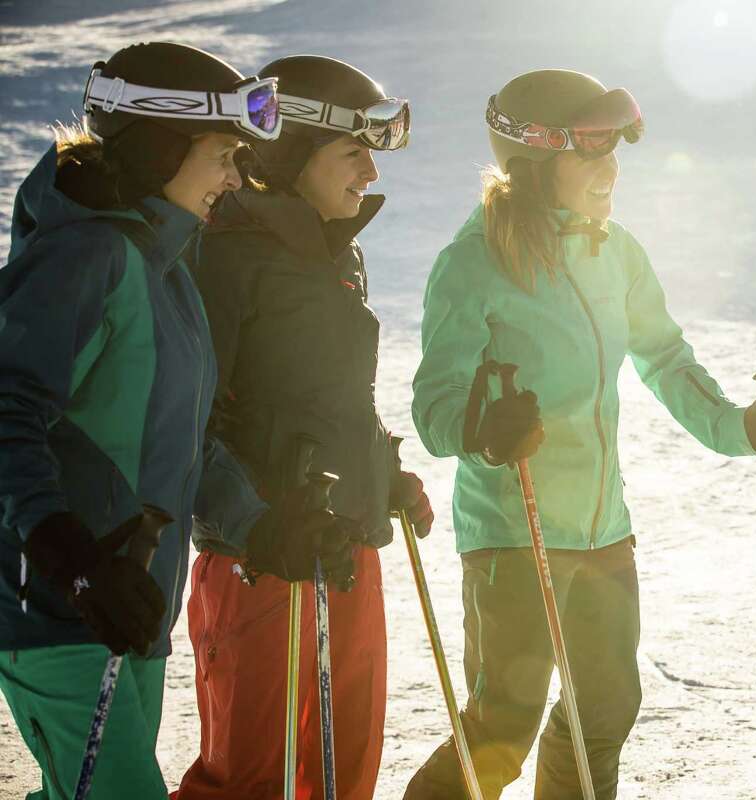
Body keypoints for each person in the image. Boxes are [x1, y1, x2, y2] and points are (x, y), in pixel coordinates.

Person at [404, 68, 756, 800]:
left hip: (601, 530)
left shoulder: (614, 251)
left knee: (606, 709)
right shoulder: (473, 264)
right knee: (504, 722)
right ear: (533, 160)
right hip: (511, 528)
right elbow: (435, 400)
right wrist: (484, 431)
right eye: (588, 150)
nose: (609, 168)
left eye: (613, 148)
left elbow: (664, 357)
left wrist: (740, 427)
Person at [0, 42, 281, 800]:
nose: (235, 177)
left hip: (130, 609)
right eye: (223, 153)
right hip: (61, 609)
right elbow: (6, 408)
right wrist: (70, 557)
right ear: (162, 144)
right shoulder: (85, 258)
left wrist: (261, 526)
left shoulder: (167, 272)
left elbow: (186, 440)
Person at [174, 54, 430, 800]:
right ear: (292, 148)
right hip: (264, 561)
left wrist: (382, 471)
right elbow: (191, 421)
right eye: (355, 153)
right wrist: (259, 525)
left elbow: (330, 398)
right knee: (250, 778)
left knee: (344, 769)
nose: (370, 176)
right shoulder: (224, 256)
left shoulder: (334, 253)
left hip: (341, 545)